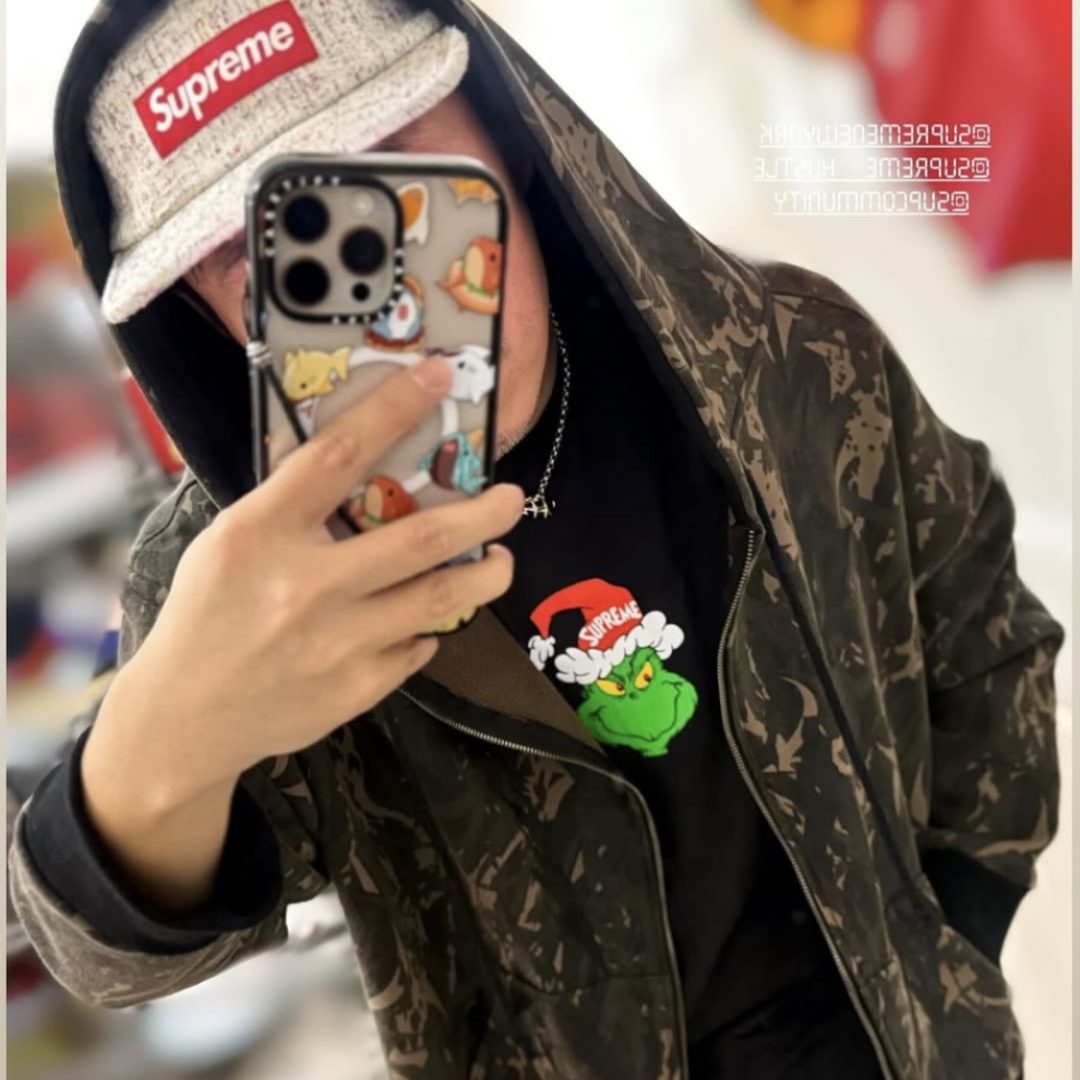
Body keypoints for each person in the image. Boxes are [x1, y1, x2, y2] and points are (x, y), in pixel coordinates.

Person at [8, 0, 1064, 1077]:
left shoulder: (787, 357)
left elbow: (977, 599)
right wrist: (158, 754)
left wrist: (955, 932)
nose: (386, 301)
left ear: (506, 128)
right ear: (199, 311)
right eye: (264, 256)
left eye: (399, 171)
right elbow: (110, 959)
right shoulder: (247, 579)